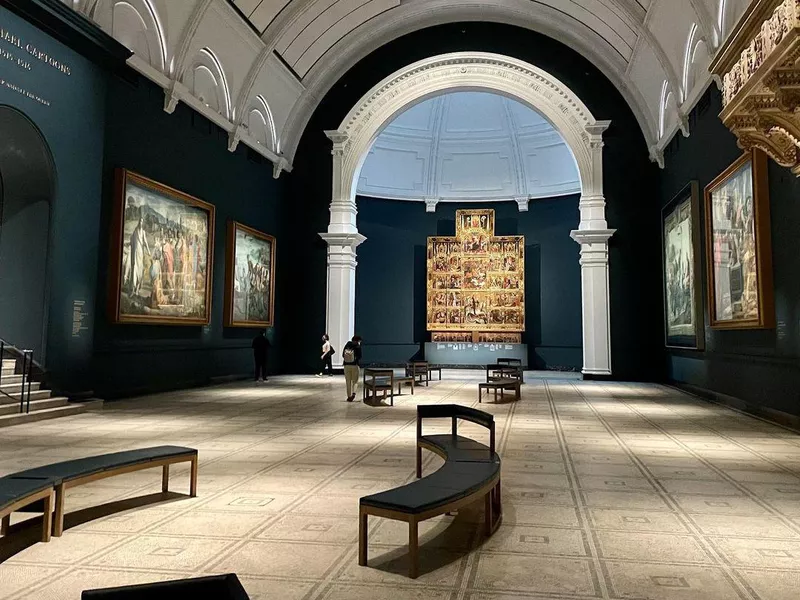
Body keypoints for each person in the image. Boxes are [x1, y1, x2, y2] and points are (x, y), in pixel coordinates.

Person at [342, 335, 362, 402]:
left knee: (348, 381)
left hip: (346, 365)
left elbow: (343, 355)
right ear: (358, 341)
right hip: (355, 366)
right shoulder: (357, 346)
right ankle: (353, 394)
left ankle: (349, 396)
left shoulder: (347, 344)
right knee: (355, 381)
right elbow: (360, 356)